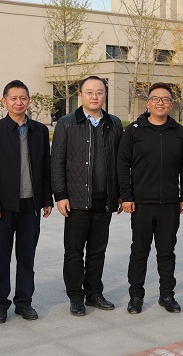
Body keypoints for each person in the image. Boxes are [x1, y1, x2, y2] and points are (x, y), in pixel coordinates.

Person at [117, 83, 183, 314]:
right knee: (139, 251)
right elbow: (122, 164)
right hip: (141, 203)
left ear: (171, 104)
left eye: (165, 99)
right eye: (156, 98)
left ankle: (167, 295)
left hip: (169, 204)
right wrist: (126, 196)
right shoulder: (134, 130)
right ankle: (136, 296)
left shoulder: (178, 131)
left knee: (167, 252)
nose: (160, 102)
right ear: (148, 102)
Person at [51, 76, 123, 316]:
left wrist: (120, 193)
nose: (94, 96)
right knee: (74, 251)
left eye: (99, 92)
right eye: (89, 92)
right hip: (76, 198)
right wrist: (60, 195)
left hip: (105, 198)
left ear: (105, 95)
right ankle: (75, 296)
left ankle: (94, 293)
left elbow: (120, 162)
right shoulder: (67, 123)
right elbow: (57, 161)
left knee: (97, 250)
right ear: (80, 95)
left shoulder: (114, 123)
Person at [0, 80, 53, 323]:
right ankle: (0, 304)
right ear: (4, 101)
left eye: (23, 98)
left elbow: (45, 168)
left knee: (27, 256)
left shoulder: (39, 131)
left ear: (28, 101)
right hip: (3, 206)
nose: (18, 102)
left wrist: (46, 199)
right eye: (13, 98)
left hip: (30, 205)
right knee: (1, 256)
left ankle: (24, 302)